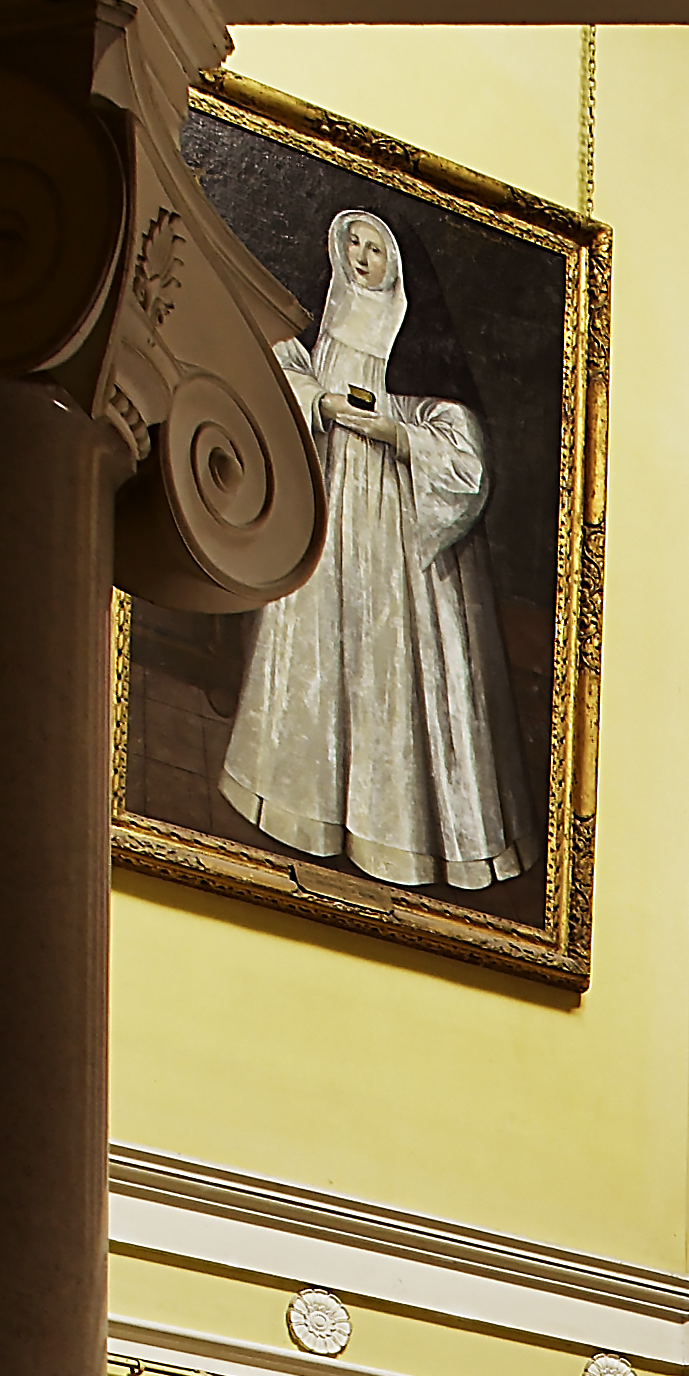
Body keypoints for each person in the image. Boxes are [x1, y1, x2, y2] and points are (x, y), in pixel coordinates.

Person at [218, 208, 537, 897]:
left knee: (389, 664)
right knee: (317, 647)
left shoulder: (417, 333)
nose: (361, 260)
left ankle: (399, 839)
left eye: (374, 249)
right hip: (331, 502)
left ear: (398, 262)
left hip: (395, 528)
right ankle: (303, 812)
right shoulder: (328, 312)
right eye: (353, 246)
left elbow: (462, 451)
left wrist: (395, 431)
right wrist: (322, 404)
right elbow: (287, 367)